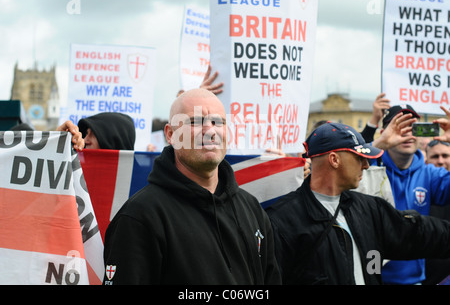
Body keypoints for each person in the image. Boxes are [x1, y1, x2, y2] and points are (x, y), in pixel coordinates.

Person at [102, 88, 281, 284]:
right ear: (171, 134)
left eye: (217, 122)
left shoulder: (252, 209)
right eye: (195, 121)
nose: (210, 130)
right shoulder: (140, 216)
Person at [266, 122, 450, 285]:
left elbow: (418, 233)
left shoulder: (369, 209)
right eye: (359, 158)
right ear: (334, 160)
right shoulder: (282, 221)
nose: (366, 165)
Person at [369, 104, 450, 284]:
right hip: (372, 278)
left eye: (413, 126)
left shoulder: (430, 174)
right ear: (384, 132)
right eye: (399, 126)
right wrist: (379, 145)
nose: (407, 133)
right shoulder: (367, 168)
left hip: (414, 280)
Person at [423, 139, 450, 284]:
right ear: (426, 160)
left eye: (445, 156)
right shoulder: (420, 190)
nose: (440, 161)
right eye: (435, 156)